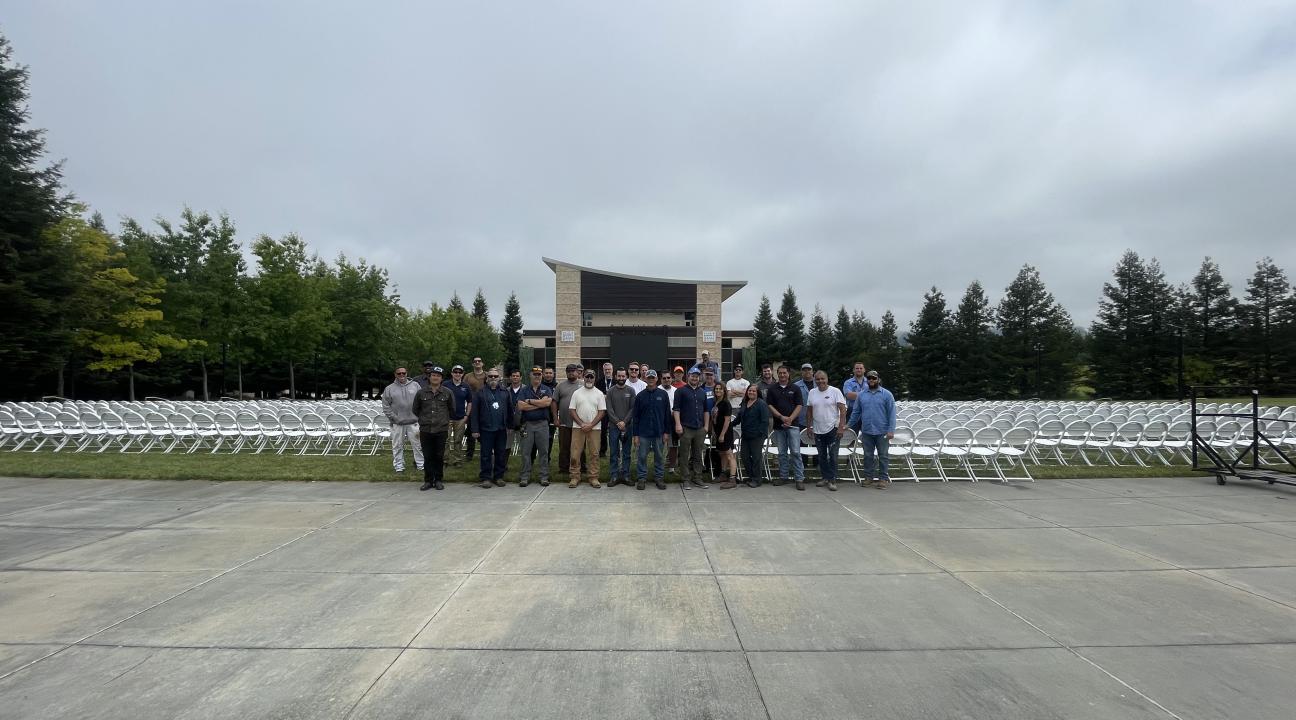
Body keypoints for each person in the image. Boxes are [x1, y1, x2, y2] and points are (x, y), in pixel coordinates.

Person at [849, 370, 897, 488]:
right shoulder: (861, 395)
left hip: (883, 431)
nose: (871, 380)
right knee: (868, 455)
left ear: (878, 380)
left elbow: (892, 413)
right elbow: (856, 412)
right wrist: (848, 424)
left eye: (874, 378)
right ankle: (868, 477)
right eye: (869, 378)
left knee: (883, 455)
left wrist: (891, 430)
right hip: (867, 430)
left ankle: (883, 478)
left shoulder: (887, 394)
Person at [469, 369, 515, 488]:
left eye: (495, 376)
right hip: (486, 429)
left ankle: (498, 476)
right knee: (486, 454)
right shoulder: (480, 393)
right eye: (491, 376)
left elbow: (510, 410)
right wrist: (475, 430)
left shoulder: (505, 392)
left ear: (499, 378)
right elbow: (474, 413)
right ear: (487, 378)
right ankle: (486, 478)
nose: (493, 378)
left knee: (500, 453)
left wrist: (510, 425)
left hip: (501, 429)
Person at [411, 366, 455, 491]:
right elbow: (415, 409)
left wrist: (443, 421)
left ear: (441, 378)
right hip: (426, 429)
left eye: (438, 376)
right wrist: (424, 419)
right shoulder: (421, 392)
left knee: (439, 456)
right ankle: (428, 480)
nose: (435, 377)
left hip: (441, 429)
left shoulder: (447, 392)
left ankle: (439, 479)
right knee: (428, 456)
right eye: (433, 375)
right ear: (429, 377)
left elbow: (452, 409)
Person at [805, 370, 848, 492]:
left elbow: (843, 410)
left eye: (822, 379)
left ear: (827, 379)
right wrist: (809, 427)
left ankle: (832, 479)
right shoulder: (812, 392)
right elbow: (809, 411)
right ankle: (824, 477)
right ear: (815, 380)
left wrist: (841, 426)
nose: (820, 381)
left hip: (832, 429)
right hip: (818, 429)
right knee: (822, 456)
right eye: (817, 379)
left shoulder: (835, 391)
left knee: (833, 456)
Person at [631, 370, 672, 490]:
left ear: (656, 379)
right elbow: (636, 417)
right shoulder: (640, 396)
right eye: (648, 377)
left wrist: (666, 432)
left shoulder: (663, 395)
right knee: (642, 456)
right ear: (645, 378)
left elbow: (667, 416)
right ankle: (642, 478)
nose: (650, 379)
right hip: (643, 433)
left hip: (659, 432)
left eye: (653, 377)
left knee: (659, 456)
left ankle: (659, 478)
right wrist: (636, 435)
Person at [767, 365, 805, 490]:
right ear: (777, 374)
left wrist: (790, 419)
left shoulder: (795, 388)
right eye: (780, 373)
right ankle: (784, 477)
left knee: (795, 452)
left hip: (793, 425)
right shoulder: (772, 388)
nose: (782, 375)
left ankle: (799, 478)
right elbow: (770, 405)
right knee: (782, 453)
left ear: (789, 374)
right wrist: (781, 417)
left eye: (784, 373)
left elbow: (799, 405)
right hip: (779, 426)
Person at [381, 367, 423, 474]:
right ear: (395, 374)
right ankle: (399, 466)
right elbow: (386, 406)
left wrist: (419, 416)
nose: (401, 375)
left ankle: (421, 465)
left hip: (414, 422)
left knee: (418, 445)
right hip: (397, 423)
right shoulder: (389, 388)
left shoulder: (415, 385)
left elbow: (422, 401)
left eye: (403, 373)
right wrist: (395, 418)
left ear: (406, 373)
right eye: (399, 373)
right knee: (397, 445)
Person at [568, 370, 606, 488]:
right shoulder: (576, 393)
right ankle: (575, 477)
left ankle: (593, 477)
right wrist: (581, 423)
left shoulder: (599, 394)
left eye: (591, 377)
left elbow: (602, 412)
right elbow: (572, 410)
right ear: (583, 377)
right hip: (578, 427)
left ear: (594, 378)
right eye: (587, 377)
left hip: (595, 428)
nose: (589, 379)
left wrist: (591, 424)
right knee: (575, 454)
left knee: (594, 454)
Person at [674, 367, 710, 490]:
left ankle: (697, 478)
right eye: (692, 376)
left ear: (699, 377)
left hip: (700, 428)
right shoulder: (680, 391)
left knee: (698, 454)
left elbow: (706, 411)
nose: (695, 378)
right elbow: (676, 409)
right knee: (684, 455)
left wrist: (706, 426)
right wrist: (678, 424)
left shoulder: (702, 392)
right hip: (686, 428)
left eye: (697, 376)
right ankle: (685, 479)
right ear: (688, 376)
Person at [516, 367, 553, 487]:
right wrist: (539, 404)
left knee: (544, 452)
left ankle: (544, 476)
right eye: (535, 374)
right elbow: (521, 406)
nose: (537, 376)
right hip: (528, 425)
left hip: (542, 425)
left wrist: (530, 401)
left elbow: (547, 403)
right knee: (526, 452)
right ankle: (525, 476)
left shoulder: (546, 389)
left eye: (539, 374)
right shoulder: (524, 390)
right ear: (530, 375)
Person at [604, 367, 636, 486]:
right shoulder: (611, 391)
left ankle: (626, 475)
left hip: (628, 426)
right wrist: (618, 422)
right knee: (614, 452)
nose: (621, 378)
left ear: (626, 376)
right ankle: (614, 475)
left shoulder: (631, 391)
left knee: (627, 452)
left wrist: (624, 422)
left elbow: (633, 408)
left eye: (623, 376)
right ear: (615, 376)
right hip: (613, 427)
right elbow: (609, 409)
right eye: (619, 376)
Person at [736, 384, 770, 487]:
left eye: (754, 391)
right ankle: (751, 476)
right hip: (746, 435)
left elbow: (765, 421)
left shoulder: (761, 404)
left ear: (757, 393)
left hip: (757, 436)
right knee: (744, 456)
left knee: (756, 458)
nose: (751, 392)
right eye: (749, 390)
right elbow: (738, 418)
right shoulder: (744, 402)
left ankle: (757, 479)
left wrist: (759, 433)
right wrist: (730, 424)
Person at [553, 363, 583, 476]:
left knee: (580, 447)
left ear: (577, 372)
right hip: (564, 422)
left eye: (573, 371)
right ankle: (564, 468)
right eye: (568, 371)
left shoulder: (583, 385)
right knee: (564, 447)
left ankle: (582, 467)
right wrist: (556, 418)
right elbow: (554, 402)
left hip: (579, 423)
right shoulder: (560, 386)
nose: (571, 373)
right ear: (566, 373)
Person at [711, 383, 737, 488]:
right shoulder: (717, 403)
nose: (718, 391)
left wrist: (722, 435)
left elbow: (727, 421)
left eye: (720, 389)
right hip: (718, 433)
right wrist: (713, 431)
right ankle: (723, 474)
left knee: (729, 454)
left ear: (724, 391)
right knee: (722, 454)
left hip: (725, 433)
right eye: (716, 389)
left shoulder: (726, 404)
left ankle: (732, 478)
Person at [445, 365, 472, 465]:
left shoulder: (466, 386)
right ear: (452, 373)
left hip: (460, 418)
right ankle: (445, 460)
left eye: (459, 372)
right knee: (445, 440)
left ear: (463, 374)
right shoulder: (445, 384)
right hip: (447, 417)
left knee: (458, 440)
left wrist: (467, 415)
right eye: (455, 372)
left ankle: (457, 460)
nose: (457, 374)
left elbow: (469, 402)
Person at [599, 361, 615, 457]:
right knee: (603, 430)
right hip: (603, 409)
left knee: (614, 430)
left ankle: (614, 450)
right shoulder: (599, 381)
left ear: (612, 370)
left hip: (614, 409)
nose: (607, 371)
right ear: (603, 371)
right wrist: (602, 396)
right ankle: (602, 451)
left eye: (609, 369)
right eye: (606, 370)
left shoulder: (617, 381)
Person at [507, 369, 524, 454]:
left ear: (520, 377)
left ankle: (526, 466)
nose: (515, 377)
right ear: (510, 377)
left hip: (522, 422)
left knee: (524, 448)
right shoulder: (505, 390)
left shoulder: (526, 389)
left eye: (517, 376)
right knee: (506, 446)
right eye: (513, 376)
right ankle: (503, 466)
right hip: (508, 423)